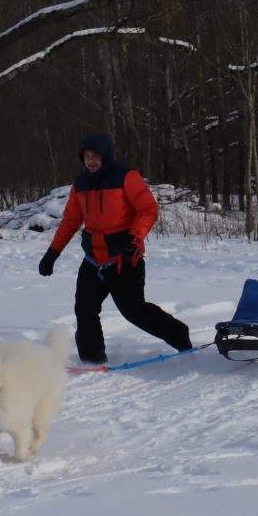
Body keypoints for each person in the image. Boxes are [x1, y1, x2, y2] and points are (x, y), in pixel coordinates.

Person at [38, 134, 192, 364]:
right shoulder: (80, 184)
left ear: (106, 156)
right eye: (87, 156)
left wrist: (135, 237)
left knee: (134, 310)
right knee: (85, 309)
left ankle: (180, 336)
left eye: (95, 156)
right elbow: (71, 220)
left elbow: (148, 210)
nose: (90, 161)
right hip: (93, 259)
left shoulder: (126, 177)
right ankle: (93, 360)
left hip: (124, 258)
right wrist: (52, 253)